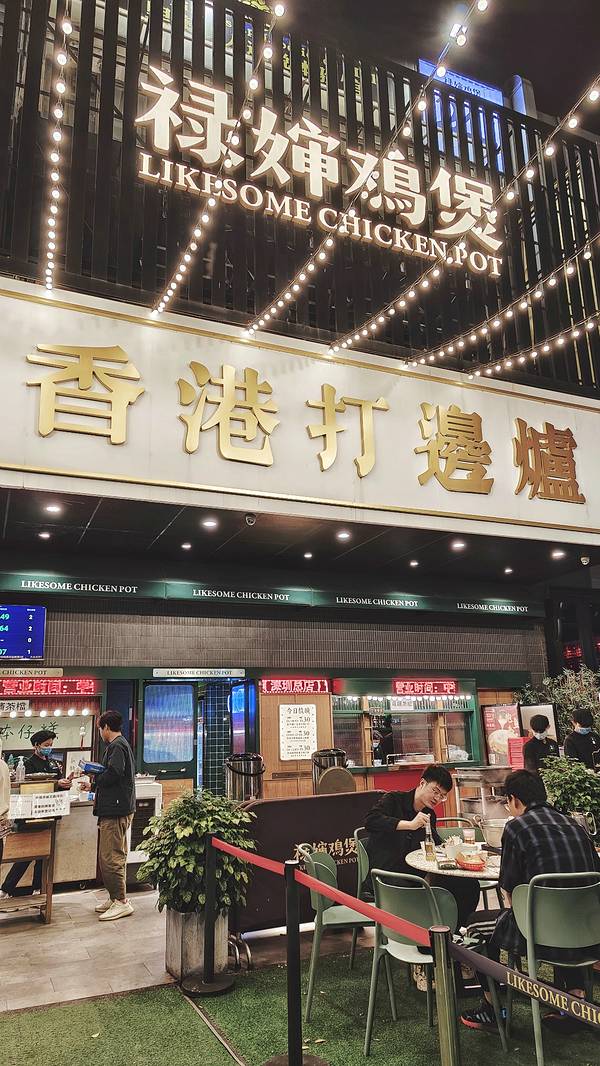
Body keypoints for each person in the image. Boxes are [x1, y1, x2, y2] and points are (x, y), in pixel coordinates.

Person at [460, 770, 600, 1033]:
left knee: (476, 926)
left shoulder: (516, 827)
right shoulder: (576, 826)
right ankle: (575, 1001)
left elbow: (509, 888)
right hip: (587, 931)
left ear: (514, 800)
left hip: (540, 934)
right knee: (560, 908)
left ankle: (492, 1010)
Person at [364, 764, 480, 927]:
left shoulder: (429, 814)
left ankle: (454, 932)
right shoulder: (393, 800)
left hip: (417, 873)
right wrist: (409, 825)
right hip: (387, 873)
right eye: (435, 791)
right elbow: (371, 821)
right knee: (420, 891)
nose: (437, 798)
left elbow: (434, 843)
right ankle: (425, 934)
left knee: (467, 884)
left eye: (442, 796)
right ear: (422, 783)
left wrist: (453, 848)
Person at [0, 730, 70, 899]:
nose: (49, 748)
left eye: (51, 745)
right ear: (36, 745)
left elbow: (58, 787)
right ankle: (6, 890)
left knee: (43, 856)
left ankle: (38, 890)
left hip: (49, 813)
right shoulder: (27, 764)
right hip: (30, 815)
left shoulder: (53, 764)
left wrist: (65, 784)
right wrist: (55, 783)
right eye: (46, 745)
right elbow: (26, 787)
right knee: (26, 854)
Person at [90, 710, 136, 922]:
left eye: (100, 728)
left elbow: (114, 773)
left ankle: (121, 901)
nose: (100, 732)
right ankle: (114, 896)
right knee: (110, 856)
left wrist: (95, 778)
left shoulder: (117, 746)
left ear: (106, 727)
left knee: (111, 857)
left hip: (116, 810)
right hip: (116, 808)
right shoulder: (119, 745)